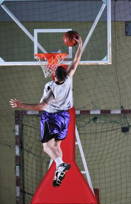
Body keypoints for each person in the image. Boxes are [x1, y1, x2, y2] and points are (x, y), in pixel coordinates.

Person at [10, 35, 83, 187]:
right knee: (56, 147)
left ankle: (60, 165)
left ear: (54, 75)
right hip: (65, 117)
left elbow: (41, 106)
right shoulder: (69, 79)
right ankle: (59, 168)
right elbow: (75, 62)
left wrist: (20, 105)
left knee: (46, 147)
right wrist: (80, 45)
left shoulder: (51, 87)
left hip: (51, 118)